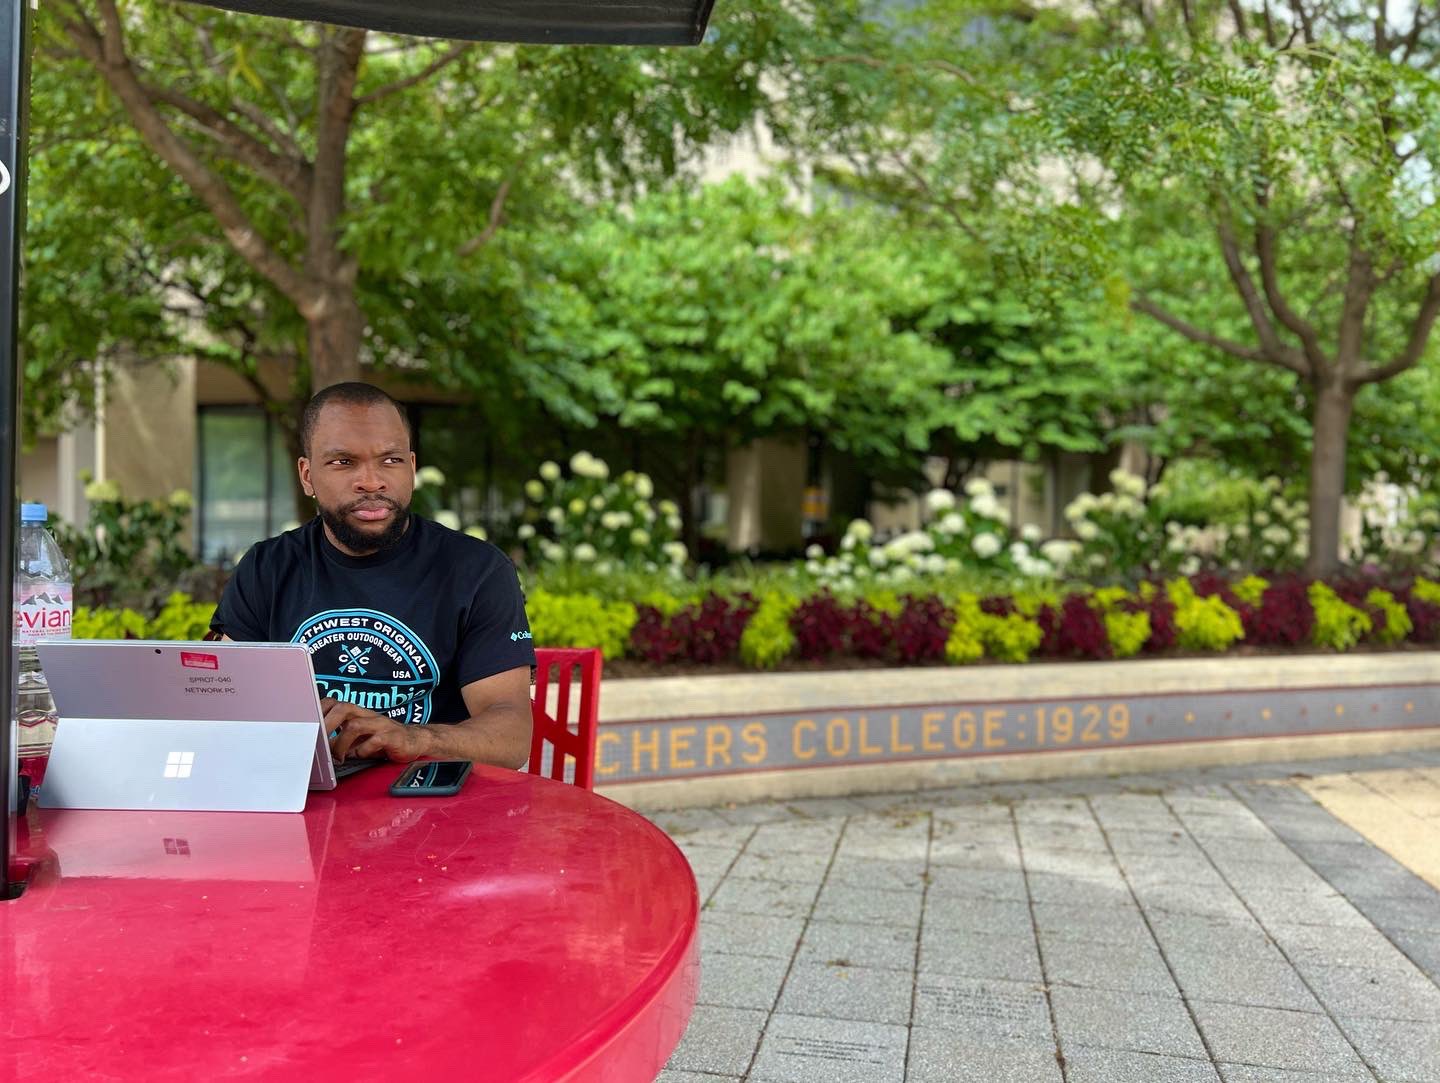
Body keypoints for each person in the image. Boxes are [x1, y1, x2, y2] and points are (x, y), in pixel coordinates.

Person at [209, 382, 534, 769]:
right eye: (343, 462)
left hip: (428, 794)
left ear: (412, 467)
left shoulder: (477, 570)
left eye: (391, 460)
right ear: (307, 475)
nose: (371, 481)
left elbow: (512, 737)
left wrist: (413, 739)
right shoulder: (267, 567)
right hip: (304, 790)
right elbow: (221, 702)